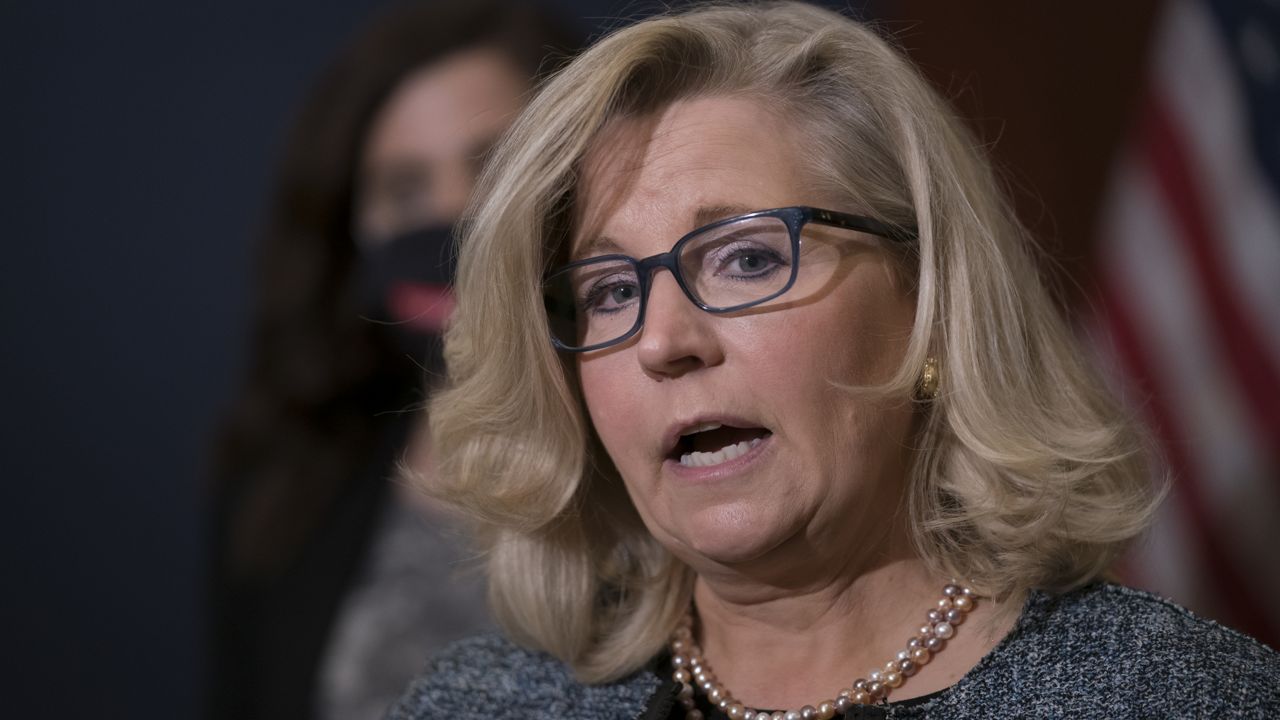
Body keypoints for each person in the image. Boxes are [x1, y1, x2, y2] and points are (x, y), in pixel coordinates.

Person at [387, 2, 1280, 718]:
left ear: (928, 303)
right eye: (610, 291)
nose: (664, 341)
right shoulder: (483, 703)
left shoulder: (1179, 697)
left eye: (745, 258)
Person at [208, 3, 579, 719]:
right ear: (351, 231)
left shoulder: (673, 468)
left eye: (492, 164)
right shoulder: (279, 491)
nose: (454, 218)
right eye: (405, 188)